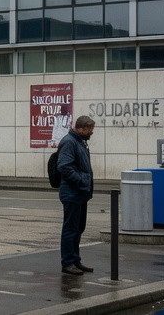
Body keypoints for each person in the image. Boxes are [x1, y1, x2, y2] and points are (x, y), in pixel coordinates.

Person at [55, 115, 95, 276]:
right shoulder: (70, 142)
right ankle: (67, 262)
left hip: (80, 192)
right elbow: (64, 166)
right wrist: (81, 181)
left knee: (79, 228)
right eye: (90, 130)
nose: (91, 133)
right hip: (72, 192)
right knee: (70, 229)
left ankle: (75, 260)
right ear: (81, 128)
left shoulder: (79, 141)